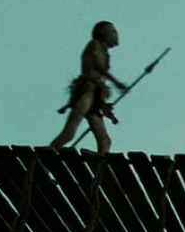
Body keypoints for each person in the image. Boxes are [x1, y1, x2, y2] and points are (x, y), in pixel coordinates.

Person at [50, 21, 129, 154]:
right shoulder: (94, 45)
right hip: (87, 93)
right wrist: (116, 83)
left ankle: (100, 163)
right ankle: (46, 155)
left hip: (96, 97)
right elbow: (98, 67)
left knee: (105, 140)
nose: (117, 35)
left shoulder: (105, 53)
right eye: (113, 31)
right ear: (103, 33)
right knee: (69, 133)